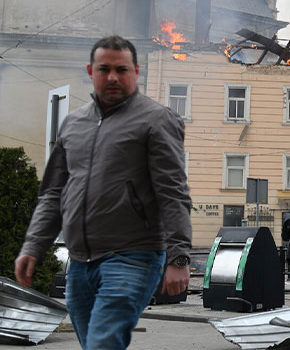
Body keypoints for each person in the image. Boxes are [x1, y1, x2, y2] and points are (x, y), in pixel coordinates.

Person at [14, 36, 193, 350]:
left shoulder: (156, 120)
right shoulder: (73, 124)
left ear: (136, 71)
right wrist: (33, 245)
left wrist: (178, 256)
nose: (112, 77)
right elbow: (53, 193)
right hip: (80, 263)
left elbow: (173, 192)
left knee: (102, 344)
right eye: (104, 69)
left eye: (121, 70)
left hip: (133, 257)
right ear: (90, 71)